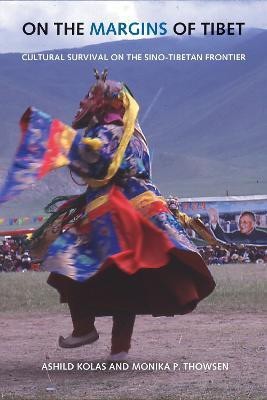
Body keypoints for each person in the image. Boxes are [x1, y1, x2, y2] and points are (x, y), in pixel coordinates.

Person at [28, 70, 215, 360]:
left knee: (73, 261)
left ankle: (85, 328)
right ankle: (118, 347)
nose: (83, 101)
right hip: (133, 210)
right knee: (124, 275)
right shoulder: (129, 131)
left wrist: (58, 144)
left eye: (91, 96)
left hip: (117, 212)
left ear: (109, 103)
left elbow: (98, 166)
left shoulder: (109, 132)